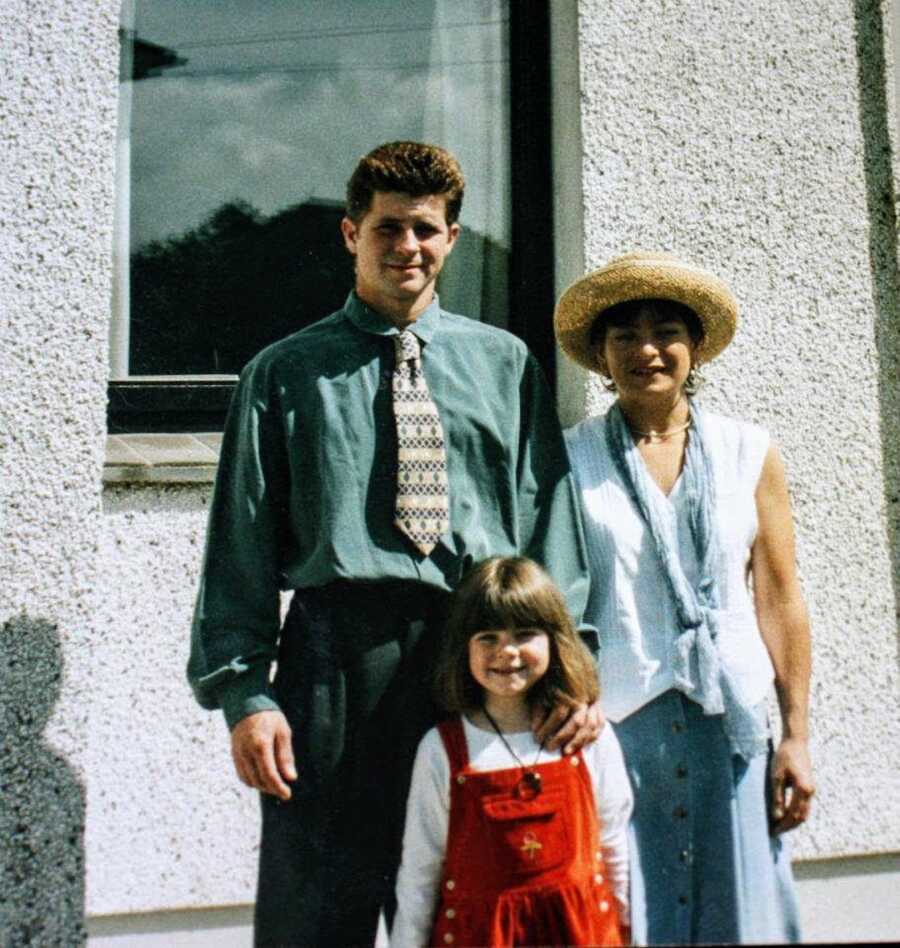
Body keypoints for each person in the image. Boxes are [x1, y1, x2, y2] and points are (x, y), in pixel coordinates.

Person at [187, 141, 598, 947]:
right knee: (319, 914)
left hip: (475, 656)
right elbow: (238, 545)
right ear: (351, 234)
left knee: (472, 903)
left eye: (425, 229)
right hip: (334, 666)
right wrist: (247, 694)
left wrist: (570, 667)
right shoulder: (283, 374)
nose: (406, 247)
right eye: (387, 229)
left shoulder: (504, 365)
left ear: (451, 239)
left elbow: (549, 525)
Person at [554, 251, 816, 945]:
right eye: (623, 335)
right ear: (601, 355)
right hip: (619, 722)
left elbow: (780, 599)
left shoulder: (748, 451)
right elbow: (555, 601)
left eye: (665, 330)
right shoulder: (568, 458)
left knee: (740, 916)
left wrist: (795, 736)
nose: (645, 350)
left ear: (695, 346)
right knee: (632, 911)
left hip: (729, 723)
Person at [392, 557, 632, 948]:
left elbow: (615, 848)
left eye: (524, 634)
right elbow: (420, 872)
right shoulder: (443, 751)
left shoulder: (590, 740)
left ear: (555, 640)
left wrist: (628, 928)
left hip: (580, 932)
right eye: (487, 637)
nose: (507, 652)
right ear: (462, 647)